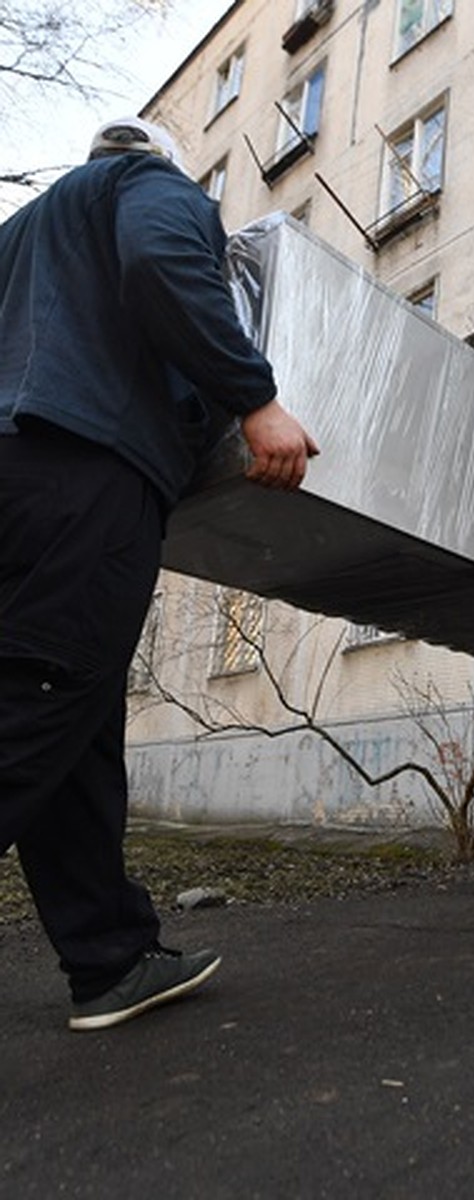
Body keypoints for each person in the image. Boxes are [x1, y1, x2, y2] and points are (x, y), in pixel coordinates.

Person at [0, 116, 318, 1030]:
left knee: (76, 729)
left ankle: (109, 958)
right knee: (34, 708)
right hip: (84, 474)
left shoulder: (27, 233)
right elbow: (160, 266)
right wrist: (253, 398)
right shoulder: (151, 190)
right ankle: (108, 955)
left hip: (20, 476)